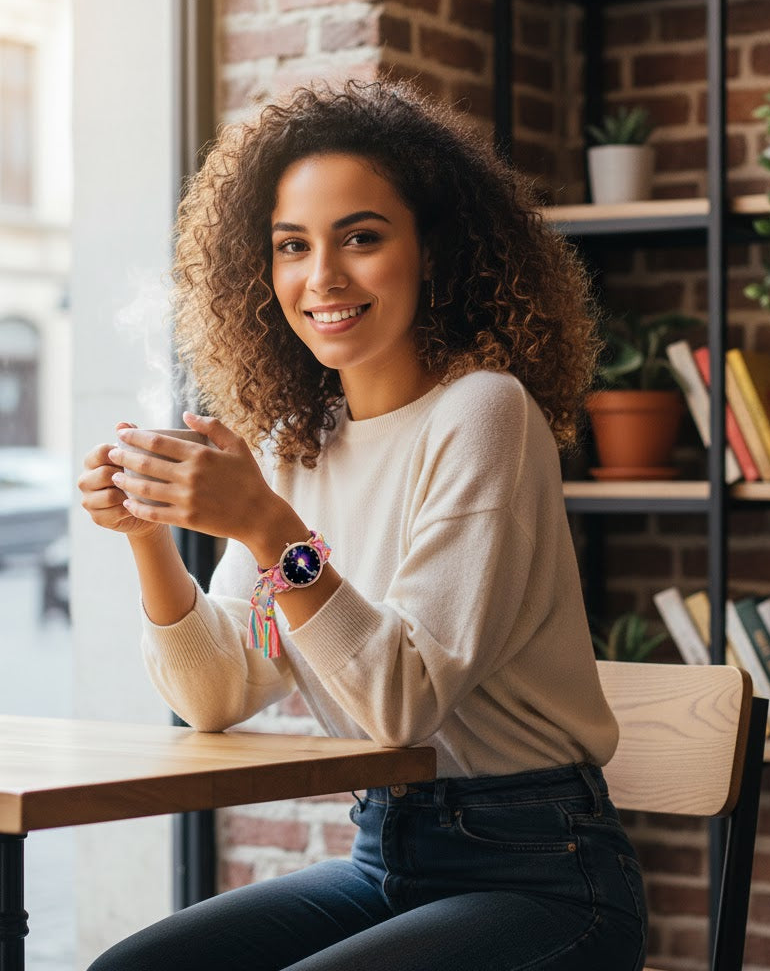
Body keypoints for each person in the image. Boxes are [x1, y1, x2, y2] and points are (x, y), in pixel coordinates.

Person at [79, 80, 647, 971]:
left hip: (542, 876)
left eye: (362, 238)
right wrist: (150, 536)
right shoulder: (294, 442)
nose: (324, 278)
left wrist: (269, 529)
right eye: (292, 246)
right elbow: (217, 693)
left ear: (434, 251)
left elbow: (403, 706)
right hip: (384, 858)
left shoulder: (483, 415)